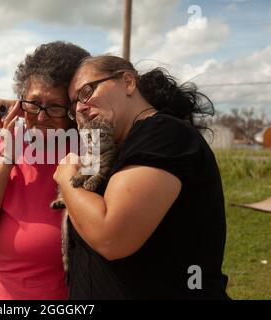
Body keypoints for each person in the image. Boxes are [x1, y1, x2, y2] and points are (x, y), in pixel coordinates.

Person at [53, 55, 230, 299]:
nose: (80, 108)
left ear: (127, 82)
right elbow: (46, 114)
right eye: (73, 105)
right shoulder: (122, 144)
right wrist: (18, 104)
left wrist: (65, 177)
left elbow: (111, 236)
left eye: (86, 91)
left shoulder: (163, 134)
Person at [0, 41, 90, 300]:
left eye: (55, 107)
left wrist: (34, 101)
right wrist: (7, 158)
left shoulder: (90, 149)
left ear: (72, 109)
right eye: (33, 104)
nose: (40, 116)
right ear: (21, 102)